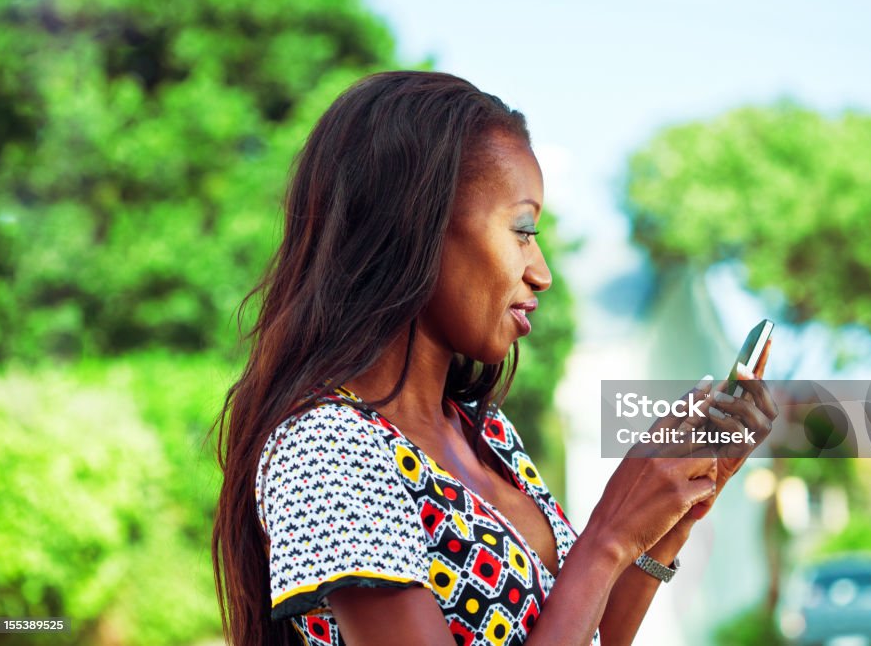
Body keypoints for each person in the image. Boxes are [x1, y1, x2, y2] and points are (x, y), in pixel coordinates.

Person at [211, 71, 778, 646]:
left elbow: (595, 637)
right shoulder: (325, 447)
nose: (542, 272)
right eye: (522, 230)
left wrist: (672, 510)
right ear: (418, 225)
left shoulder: (486, 435)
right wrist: (608, 533)